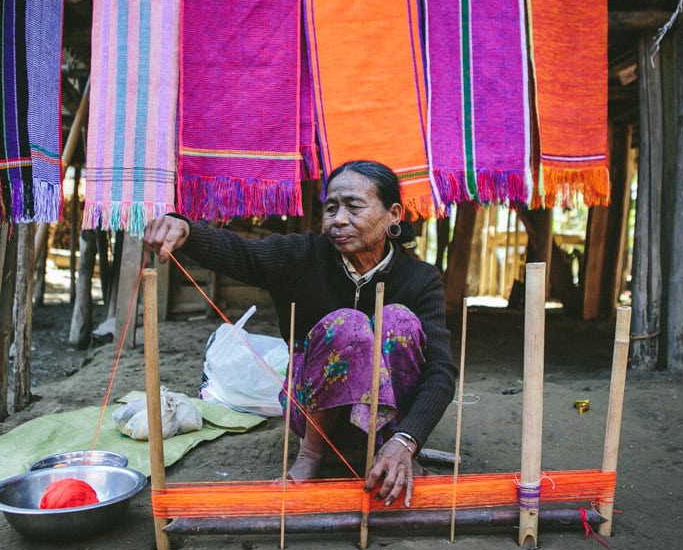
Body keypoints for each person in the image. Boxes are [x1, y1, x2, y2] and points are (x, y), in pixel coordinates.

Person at [144, 160, 457, 508]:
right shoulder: (302, 255)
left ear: (393, 214)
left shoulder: (420, 279)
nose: (338, 219)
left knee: (398, 321)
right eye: (331, 208)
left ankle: (387, 445)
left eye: (353, 207)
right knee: (348, 325)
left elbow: (440, 372)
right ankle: (313, 452)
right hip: (310, 410)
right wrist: (187, 230)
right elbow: (240, 253)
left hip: (391, 418)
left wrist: (406, 440)